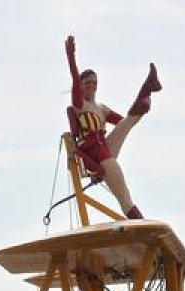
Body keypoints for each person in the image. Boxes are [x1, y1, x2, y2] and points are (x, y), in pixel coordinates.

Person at [65, 34, 161, 220]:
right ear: (81, 86)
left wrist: (137, 114)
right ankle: (140, 225)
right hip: (95, 153)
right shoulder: (79, 105)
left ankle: (147, 88)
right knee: (124, 197)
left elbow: (122, 122)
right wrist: (71, 57)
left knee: (129, 122)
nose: (91, 85)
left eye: (94, 82)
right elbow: (75, 81)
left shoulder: (101, 108)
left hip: (105, 146)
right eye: (87, 83)